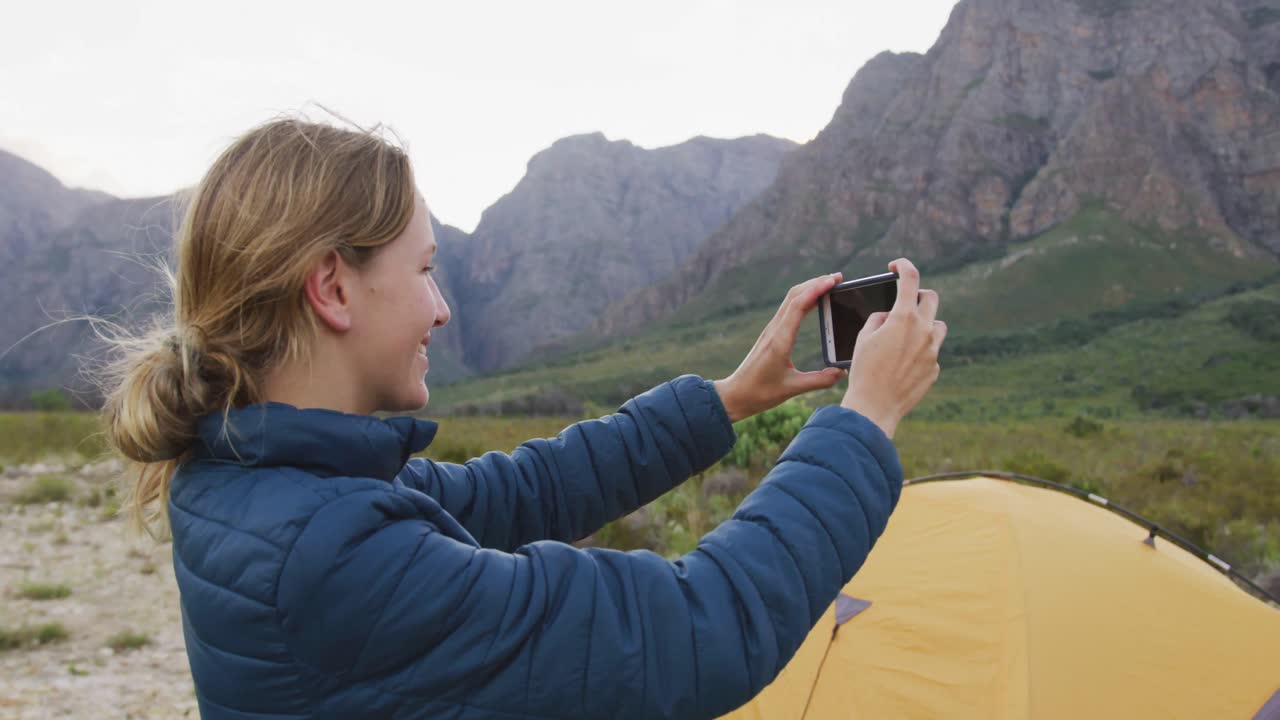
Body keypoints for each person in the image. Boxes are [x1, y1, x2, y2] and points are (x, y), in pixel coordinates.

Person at [95, 115, 946, 719]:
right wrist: (864, 418)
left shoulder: (261, 476)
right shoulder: (333, 552)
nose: (441, 308)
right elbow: (699, 631)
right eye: (423, 270)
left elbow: (518, 494)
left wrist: (727, 400)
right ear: (331, 288)